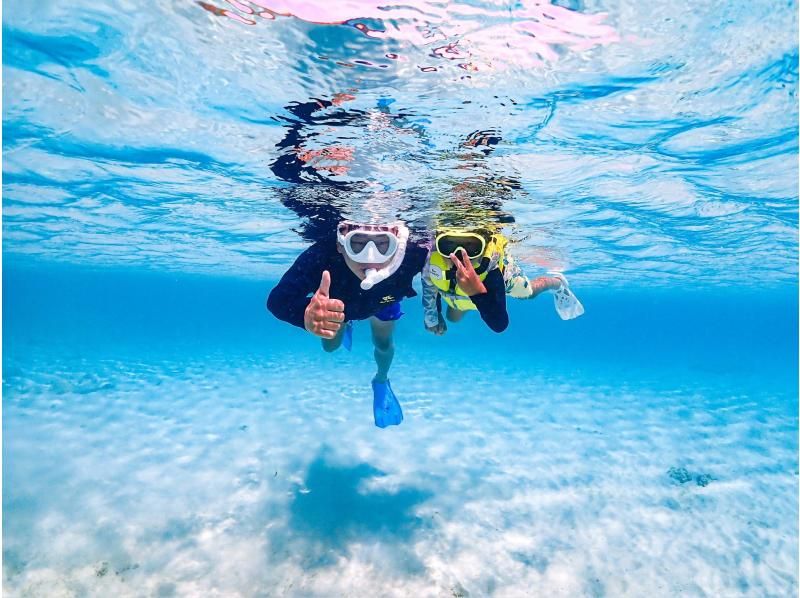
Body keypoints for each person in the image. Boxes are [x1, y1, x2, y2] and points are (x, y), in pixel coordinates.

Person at [267, 220, 428, 428]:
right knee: (330, 347)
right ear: (340, 244)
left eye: (382, 244)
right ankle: (346, 324)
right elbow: (278, 300)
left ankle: (381, 380)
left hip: (383, 302)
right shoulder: (322, 255)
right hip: (337, 308)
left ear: (399, 244)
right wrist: (306, 315)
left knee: (384, 344)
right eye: (358, 243)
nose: (370, 257)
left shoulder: (412, 254)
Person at [422, 227, 584, 335]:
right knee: (453, 318)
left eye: (470, 247)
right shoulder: (433, 260)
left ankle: (556, 282)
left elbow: (499, 324)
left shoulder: (493, 272)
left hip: (498, 283)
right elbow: (429, 285)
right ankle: (474, 302)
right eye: (448, 246)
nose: (457, 256)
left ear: (483, 249)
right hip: (461, 295)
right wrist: (432, 314)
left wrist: (475, 292)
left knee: (528, 293)